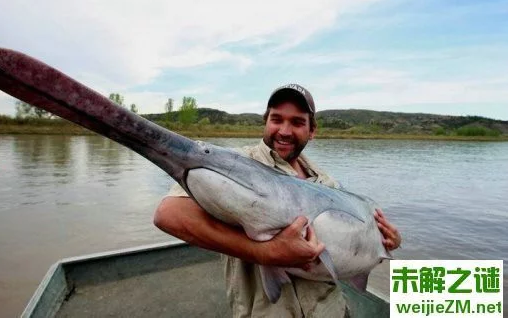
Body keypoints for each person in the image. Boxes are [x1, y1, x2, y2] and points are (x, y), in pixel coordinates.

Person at [154, 83, 401, 318]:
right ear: (266, 122)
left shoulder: (328, 183)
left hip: (331, 310)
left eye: (297, 122)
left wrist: (389, 242)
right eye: (276, 119)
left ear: (311, 131)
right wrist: (265, 253)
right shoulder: (230, 165)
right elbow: (169, 214)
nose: (284, 131)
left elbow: (355, 251)